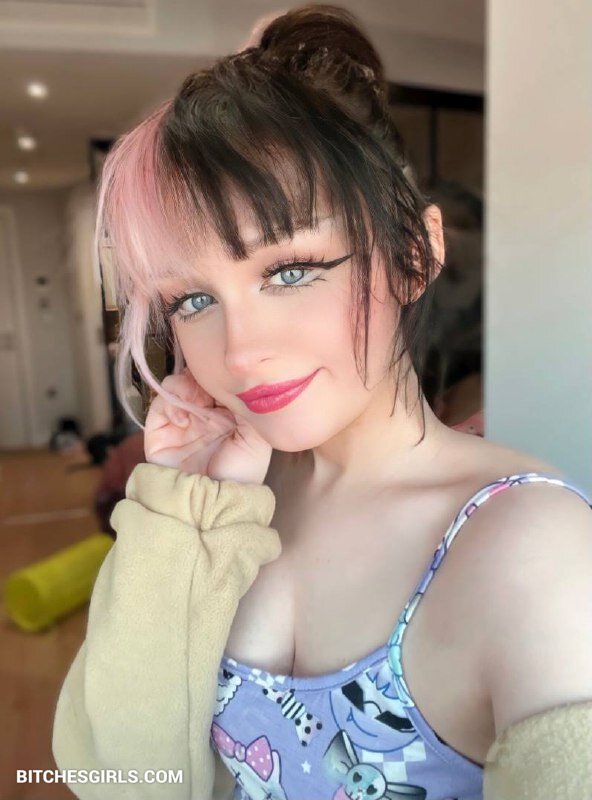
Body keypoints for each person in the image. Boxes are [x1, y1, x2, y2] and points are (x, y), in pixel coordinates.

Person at [52, 6, 592, 800]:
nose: (240, 352)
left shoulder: (532, 550)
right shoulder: (226, 515)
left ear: (414, 253)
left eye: (290, 270)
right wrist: (184, 511)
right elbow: (124, 781)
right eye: (193, 300)